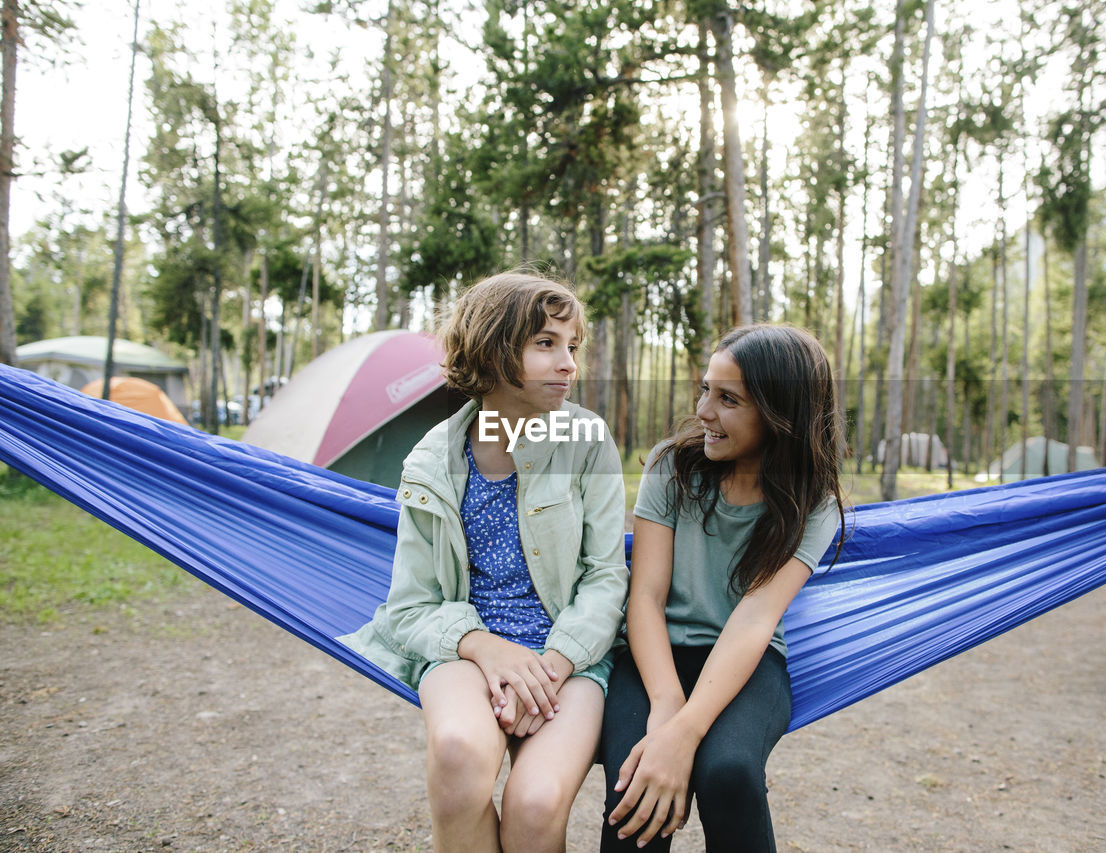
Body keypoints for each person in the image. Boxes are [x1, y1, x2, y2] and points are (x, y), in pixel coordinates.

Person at [339, 272, 627, 853]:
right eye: (546, 343)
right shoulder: (430, 460)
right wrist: (485, 648)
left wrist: (550, 667)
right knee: (458, 754)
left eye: (572, 346)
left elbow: (606, 575)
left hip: (567, 655)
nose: (568, 363)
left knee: (536, 803)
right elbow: (410, 606)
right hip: (466, 649)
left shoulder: (587, 439)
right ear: (494, 350)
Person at [599, 323, 847, 853]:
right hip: (650, 657)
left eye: (728, 398)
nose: (705, 410)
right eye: (705, 389)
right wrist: (666, 706)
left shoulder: (812, 504)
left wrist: (687, 732)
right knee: (634, 777)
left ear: (783, 415)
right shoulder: (672, 466)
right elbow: (645, 596)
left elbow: (755, 618)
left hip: (748, 664)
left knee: (728, 773)